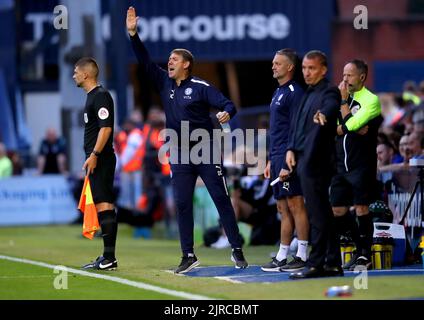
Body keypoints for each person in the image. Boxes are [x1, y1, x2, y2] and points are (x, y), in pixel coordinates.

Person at [126, 6, 247, 273]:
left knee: (220, 198)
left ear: (186, 64)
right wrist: (134, 35)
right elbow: (145, 62)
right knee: (181, 203)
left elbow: (228, 104)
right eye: (168, 58)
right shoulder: (164, 84)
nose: (169, 62)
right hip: (179, 152)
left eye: (174, 59)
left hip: (204, 148)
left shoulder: (202, 87)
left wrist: (226, 113)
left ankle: (236, 248)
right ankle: (188, 255)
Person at [284, 50, 342, 279]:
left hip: (318, 161)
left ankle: (316, 264)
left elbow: (330, 106)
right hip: (304, 159)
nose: (307, 72)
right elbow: (297, 126)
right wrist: (291, 148)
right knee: (323, 214)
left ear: (323, 70)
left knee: (317, 214)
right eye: (305, 68)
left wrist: (324, 115)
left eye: (312, 68)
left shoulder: (329, 90)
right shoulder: (307, 94)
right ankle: (333, 264)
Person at [330, 59, 383, 270]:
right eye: (343, 75)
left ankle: (364, 255)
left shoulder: (371, 100)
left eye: (349, 75)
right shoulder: (342, 99)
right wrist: (347, 124)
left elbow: (350, 126)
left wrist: (344, 110)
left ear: (361, 76)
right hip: (339, 165)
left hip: (361, 163)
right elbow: (336, 128)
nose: (344, 79)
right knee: (338, 210)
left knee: (361, 207)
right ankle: (358, 248)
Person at [261, 49, 309, 272]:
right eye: (273, 62)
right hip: (278, 155)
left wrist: (291, 159)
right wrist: (272, 160)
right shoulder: (278, 92)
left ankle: (303, 254)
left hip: (290, 156)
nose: (273, 66)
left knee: (296, 204)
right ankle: (282, 255)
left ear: (290, 67)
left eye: (277, 63)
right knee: (282, 207)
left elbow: (297, 129)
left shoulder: (294, 92)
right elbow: (278, 130)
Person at [73, 57, 119, 271]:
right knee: (103, 202)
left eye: (76, 71)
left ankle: (109, 258)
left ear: (86, 74)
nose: (73, 75)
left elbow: (106, 128)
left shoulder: (100, 96)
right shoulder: (92, 97)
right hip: (98, 158)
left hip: (101, 158)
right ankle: (107, 256)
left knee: (104, 203)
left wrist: (95, 154)